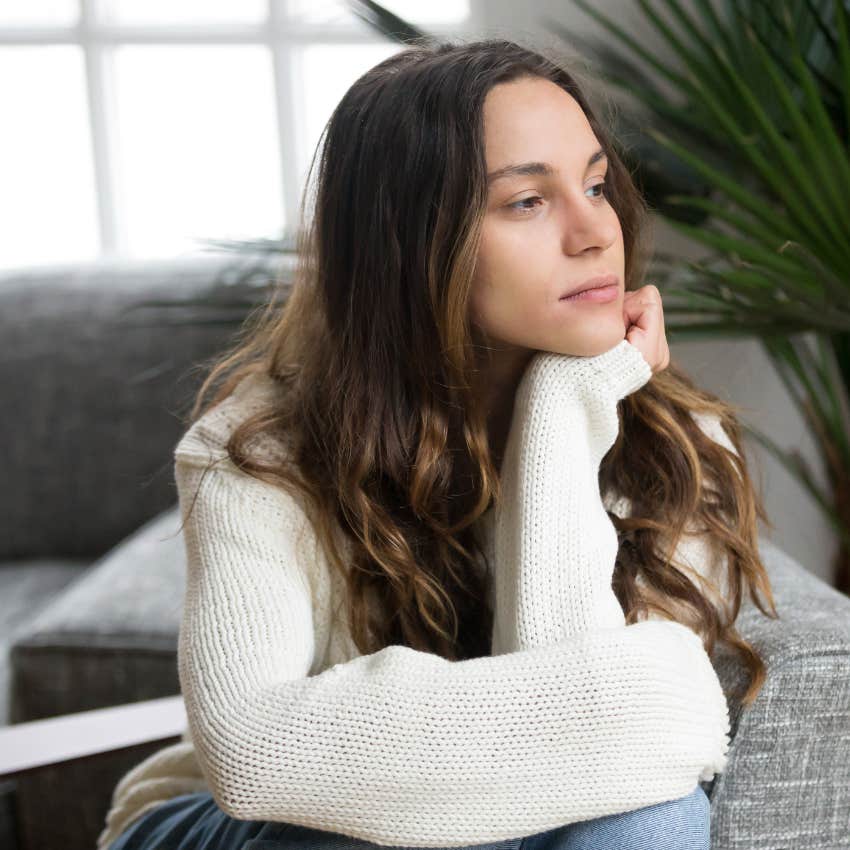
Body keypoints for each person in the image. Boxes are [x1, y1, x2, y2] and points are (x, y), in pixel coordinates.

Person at [98, 37, 779, 850]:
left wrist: (564, 416)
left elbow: (586, 758)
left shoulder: (673, 443)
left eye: (596, 184)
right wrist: (655, 703)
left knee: (645, 812)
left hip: (480, 813)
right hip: (239, 824)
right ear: (412, 243)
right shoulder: (259, 452)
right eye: (527, 201)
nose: (595, 230)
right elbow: (256, 757)